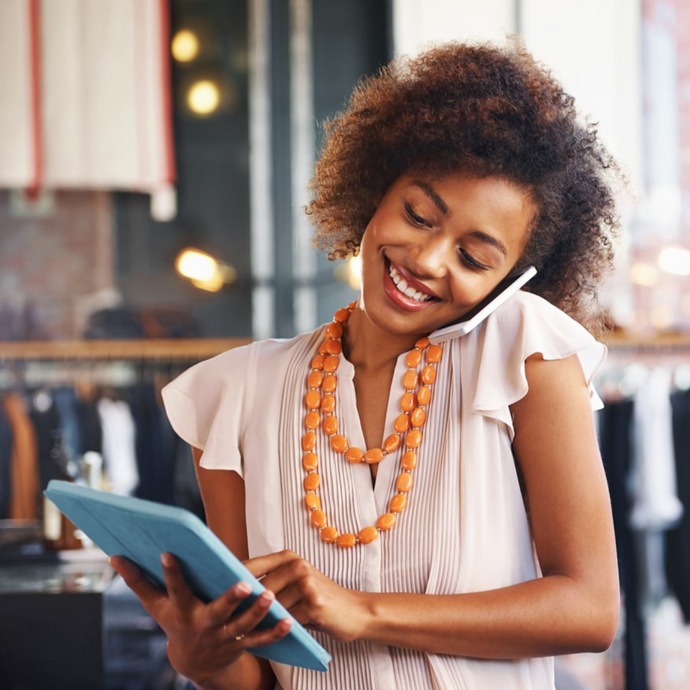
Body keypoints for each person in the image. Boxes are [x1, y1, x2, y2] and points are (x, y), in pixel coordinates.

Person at [111, 39, 622, 690]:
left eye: (473, 257)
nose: (430, 260)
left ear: (510, 281)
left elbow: (590, 609)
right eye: (418, 214)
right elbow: (259, 674)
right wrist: (200, 654)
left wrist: (365, 612)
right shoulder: (233, 394)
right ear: (377, 190)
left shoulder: (525, 352)